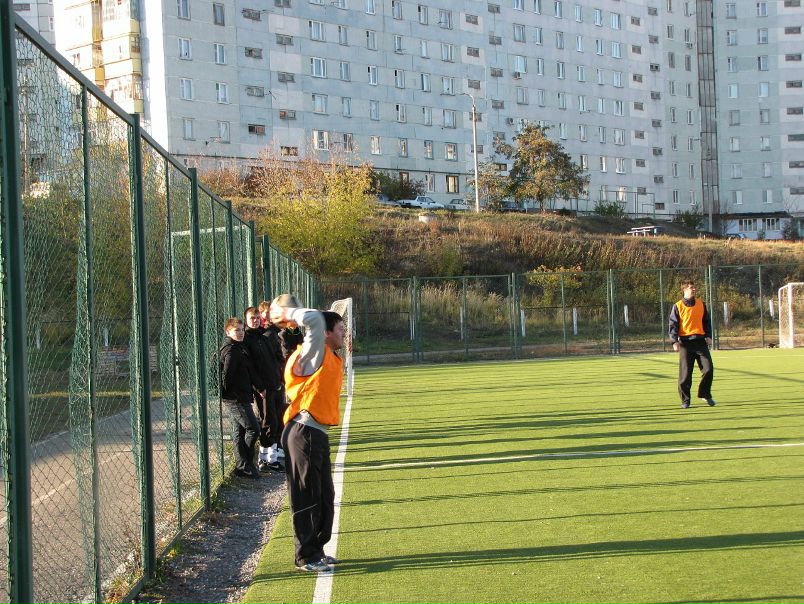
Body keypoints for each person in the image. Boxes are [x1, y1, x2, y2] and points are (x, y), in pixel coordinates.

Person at [270, 295, 345, 573]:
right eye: (340, 329)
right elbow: (313, 319)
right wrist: (286, 312)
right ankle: (306, 555)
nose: (344, 334)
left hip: (315, 433)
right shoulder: (314, 351)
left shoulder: (328, 355)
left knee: (324, 495)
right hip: (303, 431)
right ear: (325, 333)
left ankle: (316, 549)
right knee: (307, 495)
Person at [243, 307, 285, 472]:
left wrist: (279, 378)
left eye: (257, 318)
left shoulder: (264, 335)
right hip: (263, 389)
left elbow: (275, 358)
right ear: (246, 320)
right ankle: (265, 459)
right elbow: (250, 368)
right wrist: (259, 387)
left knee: (275, 420)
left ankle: (271, 457)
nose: (255, 320)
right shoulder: (247, 339)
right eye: (252, 318)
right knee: (267, 421)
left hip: (275, 384)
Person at [219, 317, 261, 478]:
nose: (241, 333)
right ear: (228, 332)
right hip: (236, 399)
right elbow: (226, 376)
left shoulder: (238, 348)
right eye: (237, 330)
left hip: (241, 396)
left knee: (239, 431)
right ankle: (246, 464)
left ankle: (242, 466)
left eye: (242, 330)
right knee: (253, 429)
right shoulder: (231, 350)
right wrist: (230, 395)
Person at [668, 279, 716, 409]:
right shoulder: (678, 306)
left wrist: (708, 336)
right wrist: (674, 341)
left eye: (694, 287)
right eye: (691, 287)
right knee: (685, 375)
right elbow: (673, 325)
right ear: (684, 289)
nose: (694, 289)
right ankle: (685, 400)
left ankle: (705, 394)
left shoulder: (701, 304)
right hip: (685, 343)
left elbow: (706, 321)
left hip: (700, 342)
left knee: (708, 369)